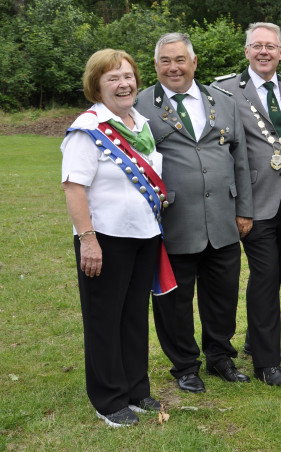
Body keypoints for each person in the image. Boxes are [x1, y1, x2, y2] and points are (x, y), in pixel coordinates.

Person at [135, 33, 254, 393]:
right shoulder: (141, 106)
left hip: (222, 216)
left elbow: (242, 160)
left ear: (194, 62)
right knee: (175, 299)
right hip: (174, 219)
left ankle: (220, 357)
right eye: (165, 61)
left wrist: (244, 209)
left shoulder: (223, 100)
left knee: (223, 294)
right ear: (156, 66)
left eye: (180, 60)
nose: (174, 67)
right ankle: (185, 365)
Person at [62, 49, 173, 427]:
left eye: (127, 76)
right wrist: (88, 240)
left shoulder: (140, 123)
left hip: (144, 236)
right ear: (97, 86)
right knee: (104, 318)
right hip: (105, 238)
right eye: (113, 78)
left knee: (133, 317)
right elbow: (74, 187)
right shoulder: (88, 128)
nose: (123, 84)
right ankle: (108, 399)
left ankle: (135, 389)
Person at [212, 22, 281, 387]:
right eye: (257, 46)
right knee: (265, 278)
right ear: (246, 51)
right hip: (250, 203)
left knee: (274, 275)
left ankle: (254, 339)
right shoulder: (223, 90)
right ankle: (267, 364)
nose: (264, 52)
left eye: (271, 46)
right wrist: (239, 206)